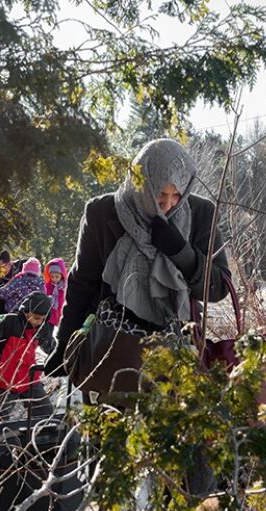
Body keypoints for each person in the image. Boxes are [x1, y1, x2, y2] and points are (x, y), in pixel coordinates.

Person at [45, 138, 231, 375]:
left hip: (176, 354)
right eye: (160, 193)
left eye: (177, 195)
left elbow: (219, 288)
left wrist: (181, 252)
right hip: (110, 349)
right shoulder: (102, 212)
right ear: (143, 183)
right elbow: (82, 282)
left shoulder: (201, 214)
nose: (168, 204)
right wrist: (64, 343)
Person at [0, 291, 55, 453]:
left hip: (28, 378)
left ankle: (42, 446)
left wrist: (50, 340)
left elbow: (50, 347)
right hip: (5, 379)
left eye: (42, 319)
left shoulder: (41, 327)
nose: (37, 322)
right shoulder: (10, 322)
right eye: (35, 318)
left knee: (45, 411)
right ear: (25, 311)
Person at [43, 258, 68, 328]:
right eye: (52, 277)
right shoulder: (48, 286)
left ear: (62, 275)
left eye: (57, 276)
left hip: (61, 313)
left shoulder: (64, 286)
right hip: (50, 315)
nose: (54, 279)